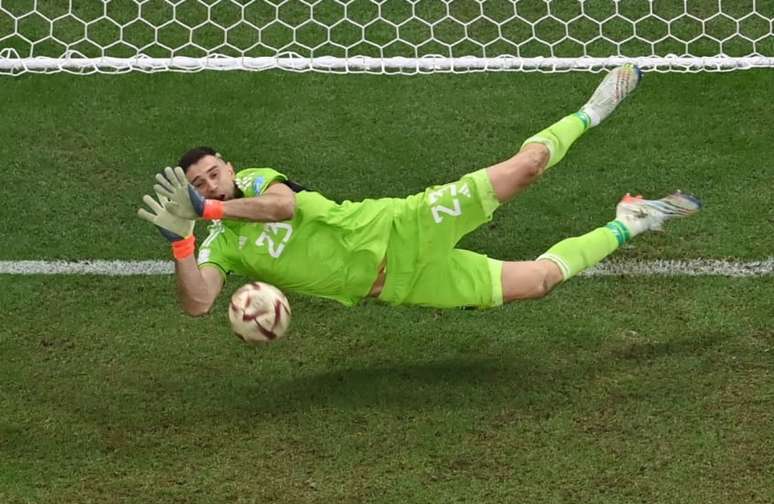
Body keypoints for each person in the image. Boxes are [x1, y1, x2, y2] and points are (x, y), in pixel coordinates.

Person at [138, 64, 701, 316]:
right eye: (197, 183)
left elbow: (282, 206)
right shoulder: (221, 246)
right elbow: (198, 302)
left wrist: (210, 205)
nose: (209, 182)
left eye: (213, 172)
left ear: (229, 167)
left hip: (403, 224)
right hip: (401, 284)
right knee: (538, 282)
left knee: (526, 167)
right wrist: (182, 243)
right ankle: (631, 219)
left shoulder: (255, 182)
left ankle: (593, 109)